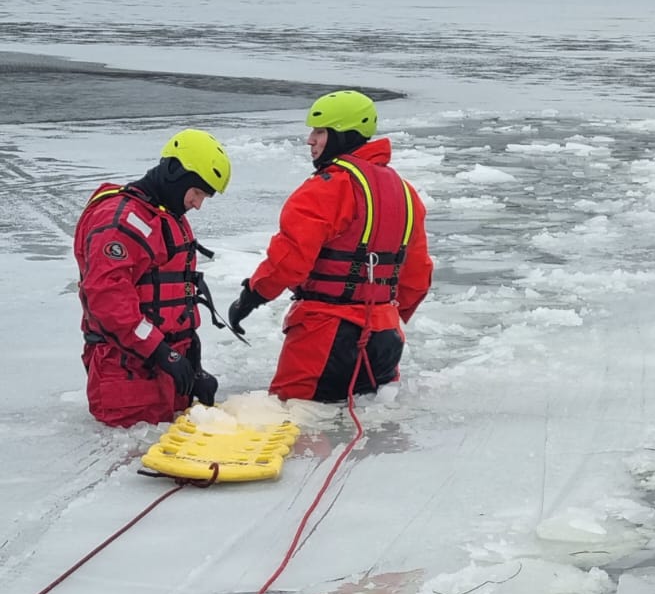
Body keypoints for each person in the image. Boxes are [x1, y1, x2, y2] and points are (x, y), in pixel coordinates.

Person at [227, 90, 433, 403]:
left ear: (343, 135)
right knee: (363, 437)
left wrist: (251, 296)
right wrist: (383, 315)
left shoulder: (326, 188)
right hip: (385, 341)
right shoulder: (406, 193)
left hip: (324, 334)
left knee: (292, 423)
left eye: (320, 132)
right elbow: (417, 274)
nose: (310, 140)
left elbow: (290, 258)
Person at [74, 130, 229, 427]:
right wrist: (163, 353)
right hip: (127, 377)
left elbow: (175, 299)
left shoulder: (163, 217)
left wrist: (192, 366)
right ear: (175, 173)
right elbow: (109, 303)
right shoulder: (119, 221)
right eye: (197, 193)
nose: (197, 204)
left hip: (165, 373)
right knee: (136, 467)